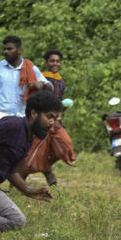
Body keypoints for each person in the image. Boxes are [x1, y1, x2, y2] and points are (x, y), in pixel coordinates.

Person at [0, 91, 62, 231]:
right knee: (16, 220)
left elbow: (10, 170)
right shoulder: (13, 125)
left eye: (54, 118)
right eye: (49, 116)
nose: (52, 122)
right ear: (34, 113)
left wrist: (29, 190)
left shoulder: (28, 138)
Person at [18, 50, 76, 186]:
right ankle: (27, 181)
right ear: (47, 63)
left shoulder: (61, 81)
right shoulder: (42, 79)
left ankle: (46, 169)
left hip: (56, 121)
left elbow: (59, 102)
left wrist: (59, 118)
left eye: (58, 61)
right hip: (42, 121)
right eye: (52, 61)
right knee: (35, 152)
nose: (55, 63)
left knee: (65, 146)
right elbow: (38, 102)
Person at [0, 36, 51, 124]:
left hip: (21, 116)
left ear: (19, 50)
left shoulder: (30, 68)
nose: (6, 52)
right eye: (5, 49)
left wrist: (42, 85)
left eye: (9, 49)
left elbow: (50, 88)